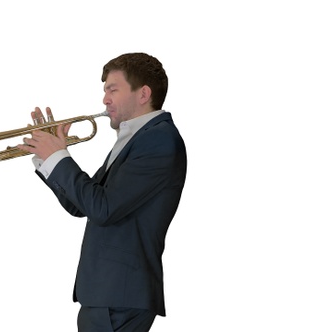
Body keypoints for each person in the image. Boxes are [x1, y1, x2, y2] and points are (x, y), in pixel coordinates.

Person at [17, 52, 187, 332]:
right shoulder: (137, 138)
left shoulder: (158, 140)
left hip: (119, 292)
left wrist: (59, 158)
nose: (105, 99)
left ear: (143, 94)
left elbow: (102, 209)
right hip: (106, 291)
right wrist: (48, 158)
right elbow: (81, 206)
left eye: (113, 89)